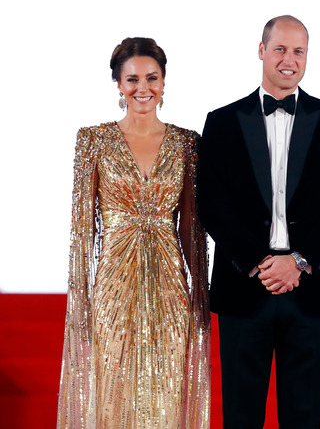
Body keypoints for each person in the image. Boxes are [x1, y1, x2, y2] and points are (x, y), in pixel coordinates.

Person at [197, 15, 320, 428]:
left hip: (309, 288)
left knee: (304, 417)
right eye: (281, 49)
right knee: (240, 415)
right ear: (261, 51)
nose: (289, 60)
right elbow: (211, 202)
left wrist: (299, 261)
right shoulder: (221, 121)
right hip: (243, 287)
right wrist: (258, 261)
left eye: (298, 51)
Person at [57, 37, 210, 428]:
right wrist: (84, 298)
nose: (143, 88)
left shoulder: (187, 143)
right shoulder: (92, 141)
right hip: (113, 285)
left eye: (152, 77)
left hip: (170, 286)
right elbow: (81, 233)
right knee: (114, 387)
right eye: (133, 79)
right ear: (118, 84)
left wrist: (201, 292)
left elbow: (193, 226)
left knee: (166, 387)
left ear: (164, 81)